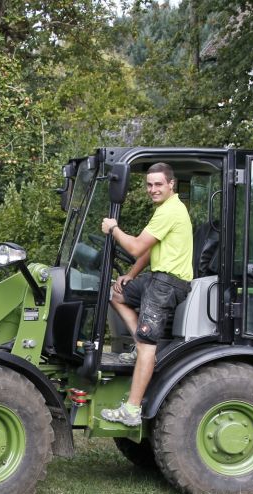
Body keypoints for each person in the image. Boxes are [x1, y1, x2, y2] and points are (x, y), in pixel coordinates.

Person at [99, 162, 193, 426]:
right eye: (149, 185)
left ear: (171, 184)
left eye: (158, 184)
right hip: (157, 278)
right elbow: (149, 250)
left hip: (167, 285)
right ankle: (138, 344)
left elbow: (135, 245)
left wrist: (113, 228)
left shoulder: (170, 210)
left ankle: (131, 410)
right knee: (116, 294)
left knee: (146, 345)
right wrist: (132, 274)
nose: (153, 189)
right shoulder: (167, 209)